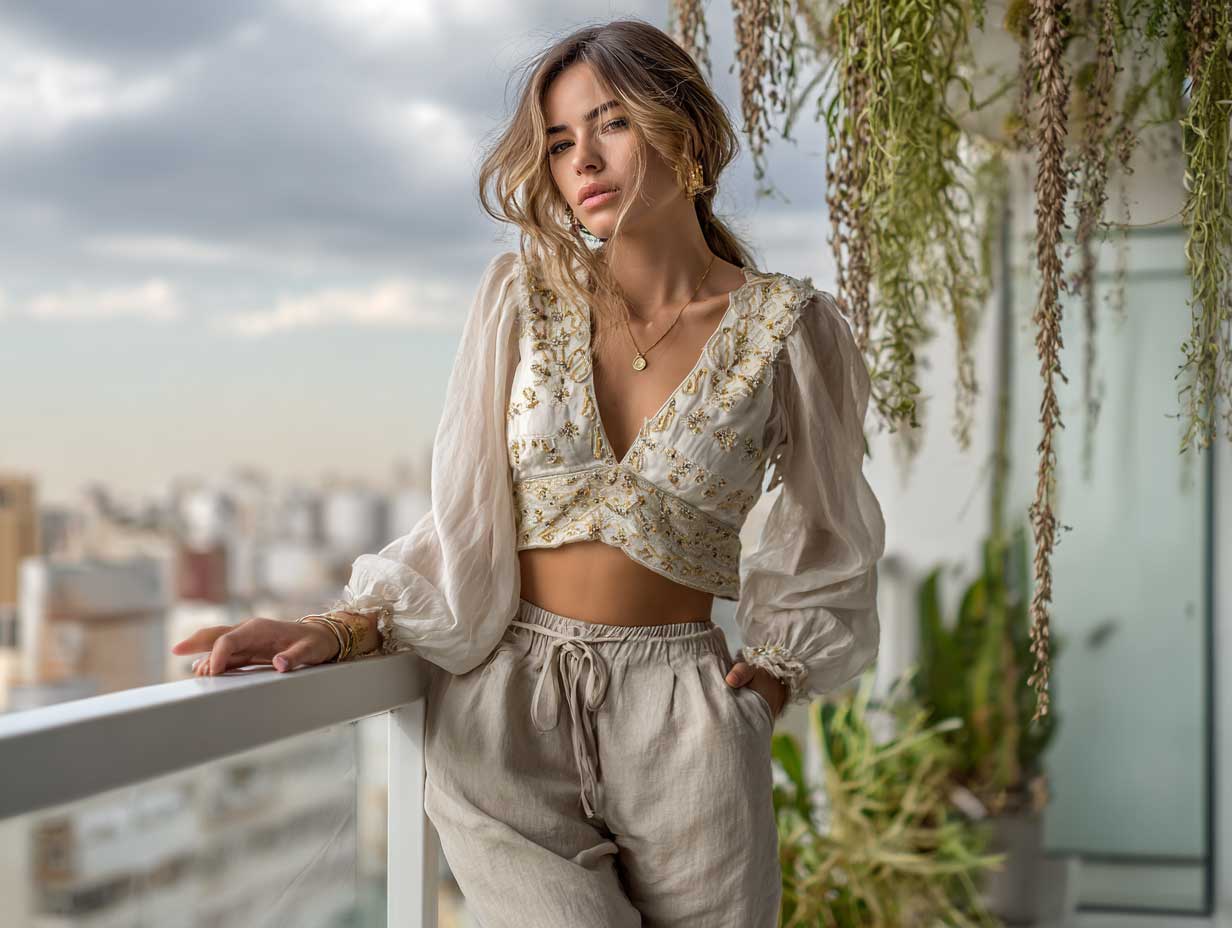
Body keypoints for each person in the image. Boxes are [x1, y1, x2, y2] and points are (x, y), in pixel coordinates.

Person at [171, 17, 886, 928]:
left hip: (688, 723)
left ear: (687, 135)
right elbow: (465, 510)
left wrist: (772, 681)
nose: (583, 158)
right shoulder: (520, 297)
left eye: (612, 122)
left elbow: (830, 528)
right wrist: (344, 628)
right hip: (502, 716)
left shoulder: (793, 330)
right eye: (557, 141)